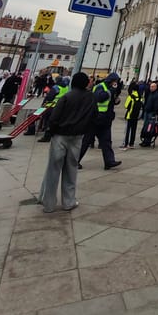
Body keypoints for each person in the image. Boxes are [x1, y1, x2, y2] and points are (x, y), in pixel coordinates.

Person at [38, 72, 96, 213]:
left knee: (53, 168)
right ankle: (69, 202)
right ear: (85, 83)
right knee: (71, 168)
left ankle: (48, 203)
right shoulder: (91, 97)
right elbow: (93, 116)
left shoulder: (66, 97)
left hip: (60, 136)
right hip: (77, 137)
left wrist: (51, 131)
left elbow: (54, 117)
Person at [78, 72, 122, 170]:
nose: (116, 83)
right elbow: (99, 98)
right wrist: (111, 91)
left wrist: (116, 100)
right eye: (115, 81)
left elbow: (110, 101)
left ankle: (109, 161)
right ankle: (75, 161)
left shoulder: (111, 89)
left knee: (106, 142)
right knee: (86, 141)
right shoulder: (100, 87)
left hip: (106, 119)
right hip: (95, 119)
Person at [120, 81, 142, 149]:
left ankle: (125, 143)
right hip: (136, 116)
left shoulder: (131, 96)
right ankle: (131, 143)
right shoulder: (140, 97)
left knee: (127, 130)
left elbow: (126, 105)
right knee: (133, 130)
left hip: (130, 115)